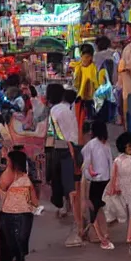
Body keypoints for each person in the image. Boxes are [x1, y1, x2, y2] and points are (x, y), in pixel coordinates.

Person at [47, 83, 83, 246]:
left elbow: (54, 134)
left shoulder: (55, 111)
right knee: (73, 187)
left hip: (63, 150)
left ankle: (78, 228)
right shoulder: (68, 110)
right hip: (72, 148)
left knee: (69, 187)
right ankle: (78, 222)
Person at [0, 149, 38, 261]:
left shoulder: (19, 176)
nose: (6, 162)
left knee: (16, 245)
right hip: (17, 215)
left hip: (17, 215)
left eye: (8, 160)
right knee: (17, 244)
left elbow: (34, 199)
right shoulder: (13, 176)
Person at [82, 119, 114, 250]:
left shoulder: (90, 145)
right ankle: (102, 232)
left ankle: (98, 235)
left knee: (93, 206)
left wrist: (88, 176)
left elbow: (86, 163)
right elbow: (111, 163)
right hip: (105, 179)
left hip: (95, 180)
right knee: (99, 205)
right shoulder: (106, 145)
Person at [107, 132, 131, 255]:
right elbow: (113, 175)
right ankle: (108, 227)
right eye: (128, 147)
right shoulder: (118, 160)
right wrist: (113, 187)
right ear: (123, 147)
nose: (130, 149)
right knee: (121, 215)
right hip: (121, 191)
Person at [73, 43, 99, 120]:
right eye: (83, 57)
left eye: (88, 57)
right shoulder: (78, 66)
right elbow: (76, 82)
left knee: (90, 117)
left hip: (91, 97)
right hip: (80, 97)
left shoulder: (93, 67)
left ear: (91, 57)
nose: (85, 59)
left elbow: (95, 82)